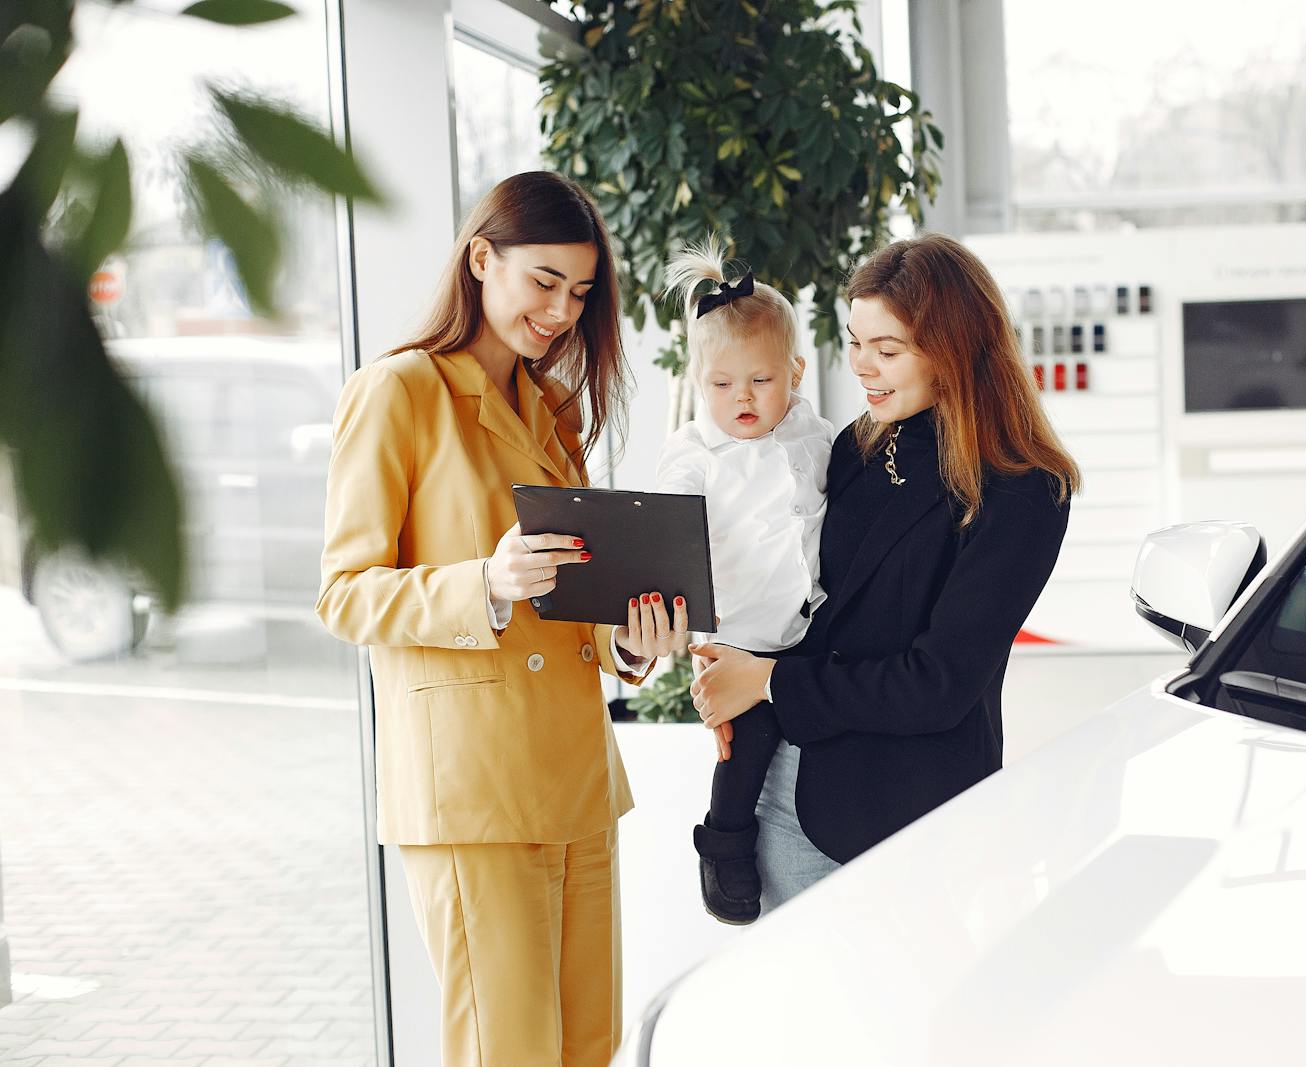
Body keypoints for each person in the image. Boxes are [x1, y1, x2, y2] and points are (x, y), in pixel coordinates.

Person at [315, 171, 689, 1067]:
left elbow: (577, 590)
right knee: (506, 1052)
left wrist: (630, 643)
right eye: (544, 281)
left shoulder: (552, 407)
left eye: (581, 292)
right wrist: (482, 581)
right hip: (471, 791)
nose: (562, 311)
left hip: (575, 782)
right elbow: (343, 592)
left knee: (588, 1048)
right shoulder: (398, 392)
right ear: (482, 258)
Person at [689, 233, 1079, 909]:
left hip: (914, 815)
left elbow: (940, 683)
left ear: (953, 349)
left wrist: (769, 680)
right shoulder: (858, 446)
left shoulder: (1024, 491)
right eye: (856, 341)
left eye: (888, 350)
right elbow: (805, 600)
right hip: (792, 794)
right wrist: (731, 660)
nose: (863, 367)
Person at [653, 238, 833, 924]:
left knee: (814, 724)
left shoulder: (813, 433)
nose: (743, 398)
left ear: (795, 369)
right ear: (700, 385)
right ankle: (724, 842)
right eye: (722, 385)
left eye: (760, 380)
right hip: (740, 634)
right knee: (746, 741)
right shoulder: (696, 451)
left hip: (813, 625)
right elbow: (670, 515)